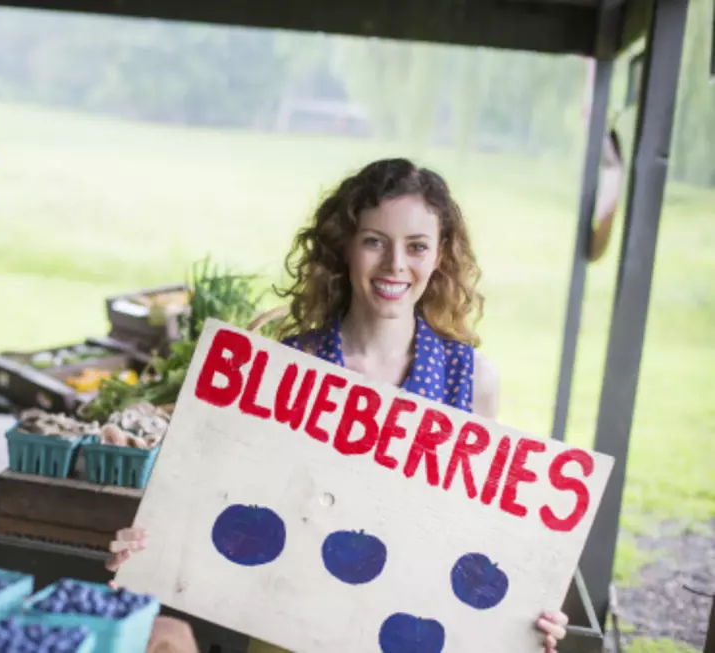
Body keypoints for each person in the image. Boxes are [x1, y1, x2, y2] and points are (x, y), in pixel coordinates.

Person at [107, 159, 570, 652]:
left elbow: (473, 537)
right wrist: (147, 552)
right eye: (375, 241)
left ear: (440, 257)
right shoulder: (288, 364)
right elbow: (232, 506)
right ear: (345, 247)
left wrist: (521, 614)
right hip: (286, 630)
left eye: (416, 246)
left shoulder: (471, 378)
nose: (395, 265)